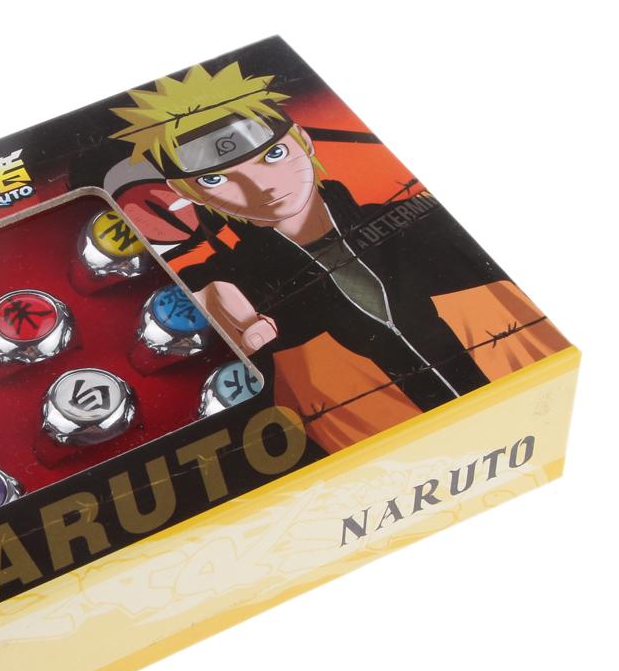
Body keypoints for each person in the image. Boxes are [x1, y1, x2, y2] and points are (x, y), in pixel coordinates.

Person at [107, 62, 568, 452]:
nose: (261, 186)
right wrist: (202, 313)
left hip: (535, 414)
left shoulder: (421, 222)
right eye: (216, 179)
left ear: (303, 140)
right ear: (187, 191)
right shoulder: (231, 284)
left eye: (274, 154)